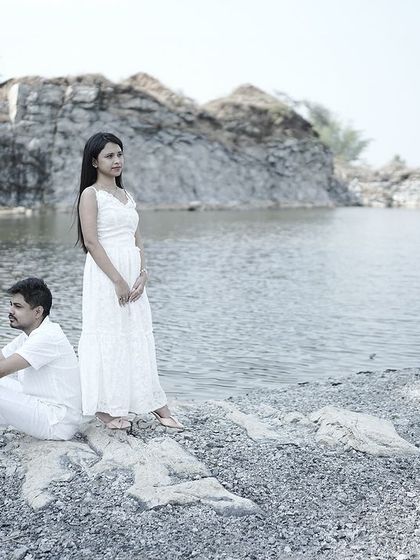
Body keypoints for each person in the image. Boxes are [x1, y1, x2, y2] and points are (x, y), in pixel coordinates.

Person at [76, 131, 183, 430]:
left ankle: (151, 400)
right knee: (109, 333)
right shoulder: (91, 195)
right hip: (105, 274)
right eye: (109, 155)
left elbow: (138, 241)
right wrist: (118, 281)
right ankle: (107, 408)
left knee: (136, 334)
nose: (117, 160)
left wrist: (143, 274)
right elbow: (92, 242)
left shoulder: (127, 196)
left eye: (119, 154)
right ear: (94, 161)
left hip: (133, 274)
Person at [0, 278, 82, 440]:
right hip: (40, 405)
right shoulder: (31, 334)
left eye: (18, 306)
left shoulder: (47, 337)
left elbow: (2, 369)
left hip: (57, 422)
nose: (10, 310)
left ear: (37, 312)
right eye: (11, 304)